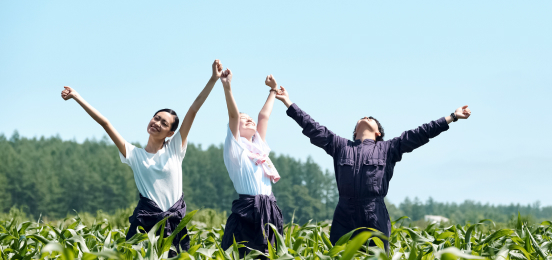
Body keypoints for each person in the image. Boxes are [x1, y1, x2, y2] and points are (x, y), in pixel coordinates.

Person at [274, 86, 471, 250]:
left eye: (371, 118)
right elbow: (312, 127)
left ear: (377, 133)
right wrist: (288, 102)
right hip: (344, 214)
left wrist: (452, 117)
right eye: (363, 117)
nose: (366, 116)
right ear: (355, 130)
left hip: (374, 213)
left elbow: (420, 133)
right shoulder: (341, 146)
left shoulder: (388, 148)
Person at [60, 59, 223, 256]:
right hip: (145, 223)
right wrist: (77, 97)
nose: (157, 123)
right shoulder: (134, 154)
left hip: (174, 223)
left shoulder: (175, 149)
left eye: (164, 123)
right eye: (156, 118)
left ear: (171, 132)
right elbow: (105, 123)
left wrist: (213, 79)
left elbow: (194, 109)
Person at [219, 68, 284, 257]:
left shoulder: (259, 147)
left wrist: (272, 90)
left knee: (269, 253)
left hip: (270, 208)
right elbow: (233, 115)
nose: (249, 121)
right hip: (248, 208)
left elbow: (263, 116)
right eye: (243, 119)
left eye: (250, 119)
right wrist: (227, 87)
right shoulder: (235, 147)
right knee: (243, 252)